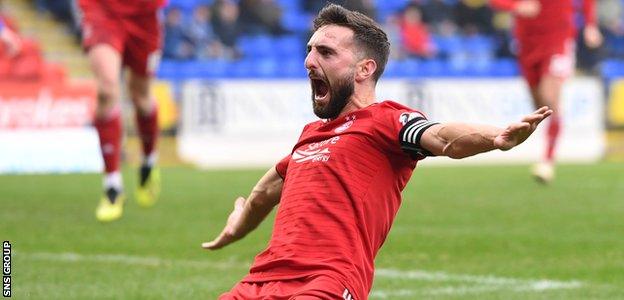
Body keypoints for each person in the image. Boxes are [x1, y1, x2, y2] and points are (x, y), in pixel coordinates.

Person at [202, 4, 552, 299]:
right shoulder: (311, 135)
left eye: (325, 52)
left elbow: (443, 137)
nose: (309, 61)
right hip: (259, 282)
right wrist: (239, 226)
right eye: (309, 50)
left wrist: (496, 136)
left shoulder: (386, 121)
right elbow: (265, 191)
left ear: (364, 69)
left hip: (325, 282)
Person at [490, 0, 602, 183]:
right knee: (540, 106)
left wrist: (590, 24)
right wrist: (515, 6)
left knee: (550, 98)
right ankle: (544, 151)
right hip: (527, 42)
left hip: (558, 38)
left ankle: (547, 160)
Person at [78, 0, 165, 222]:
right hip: (102, 10)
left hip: (144, 13)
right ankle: (112, 186)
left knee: (141, 97)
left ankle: (148, 162)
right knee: (107, 91)